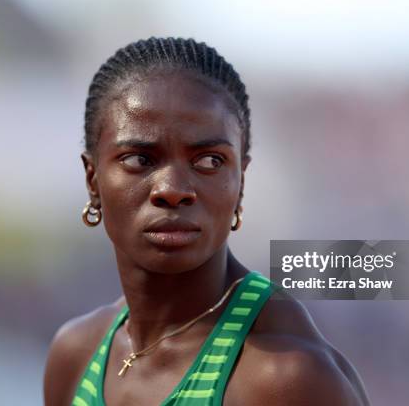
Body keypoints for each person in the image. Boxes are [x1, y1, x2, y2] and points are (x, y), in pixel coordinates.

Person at [43, 37, 369, 406]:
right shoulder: (76, 354)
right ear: (92, 179)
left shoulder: (286, 379)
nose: (172, 189)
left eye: (209, 161)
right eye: (139, 159)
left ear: (240, 182)